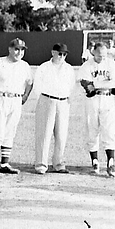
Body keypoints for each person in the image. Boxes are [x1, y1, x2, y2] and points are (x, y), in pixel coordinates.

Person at [0, 38, 34, 178]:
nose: (19, 52)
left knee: (10, 131)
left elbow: (30, 82)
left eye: (22, 50)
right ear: (10, 49)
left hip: (16, 99)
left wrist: (25, 96)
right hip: (0, 98)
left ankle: (5, 164)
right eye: (16, 49)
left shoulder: (24, 65)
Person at [78, 42, 115, 177]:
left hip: (107, 98)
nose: (101, 58)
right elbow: (87, 84)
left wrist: (98, 84)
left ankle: (110, 162)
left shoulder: (110, 63)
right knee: (92, 129)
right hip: (93, 100)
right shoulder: (87, 65)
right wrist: (103, 84)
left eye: (104, 55)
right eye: (99, 55)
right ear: (93, 53)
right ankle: (95, 161)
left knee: (109, 130)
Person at [33, 43, 76, 174]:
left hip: (63, 101)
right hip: (47, 99)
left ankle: (58, 163)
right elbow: (37, 85)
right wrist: (44, 99)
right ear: (53, 53)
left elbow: (71, 85)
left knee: (61, 134)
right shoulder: (44, 67)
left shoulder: (68, 68)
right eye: (59, 53)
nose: (62, 56)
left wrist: (66, 97)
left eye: (64, 54)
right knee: (44, 134)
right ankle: (41, 164)